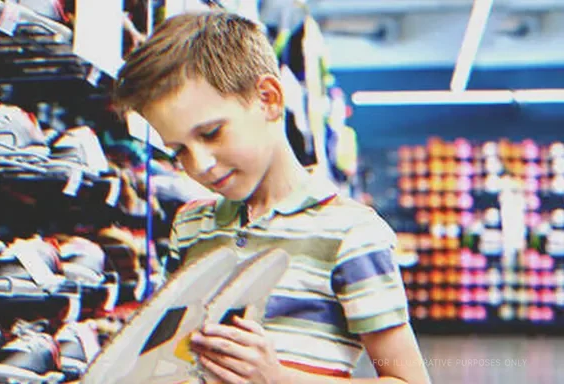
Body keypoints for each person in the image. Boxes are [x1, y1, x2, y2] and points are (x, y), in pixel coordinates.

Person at [113, 11, 431, 384]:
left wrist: (278, 379)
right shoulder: (191, 225)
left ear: (268, 98)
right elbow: (169, 358)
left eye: (212, 133)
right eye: (178, 150)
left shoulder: (352, 234)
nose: (199, 166)